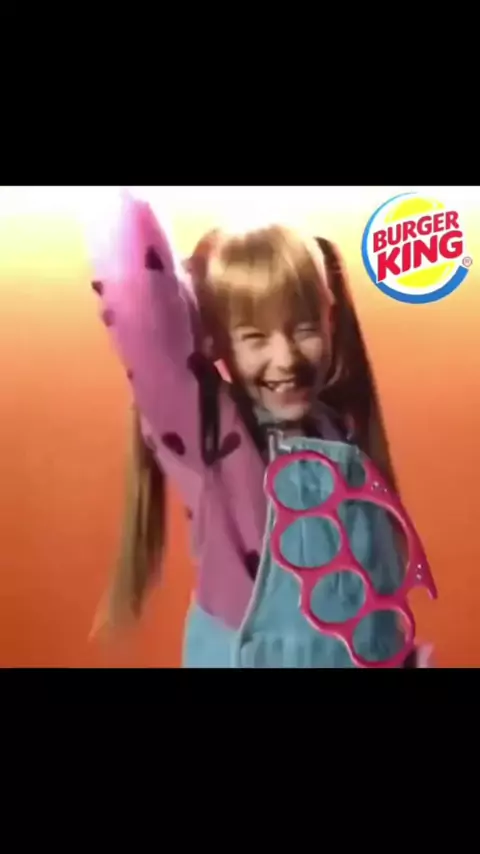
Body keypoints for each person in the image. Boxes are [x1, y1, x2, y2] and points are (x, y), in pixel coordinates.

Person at [87, 190, 434, 668]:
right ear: (212, 339)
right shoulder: (209, 435)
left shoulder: (344, 434)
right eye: (254, 337)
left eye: (304, 328)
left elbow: (377, 611)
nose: (285, 358)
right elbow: (141, 310)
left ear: (331, 321)